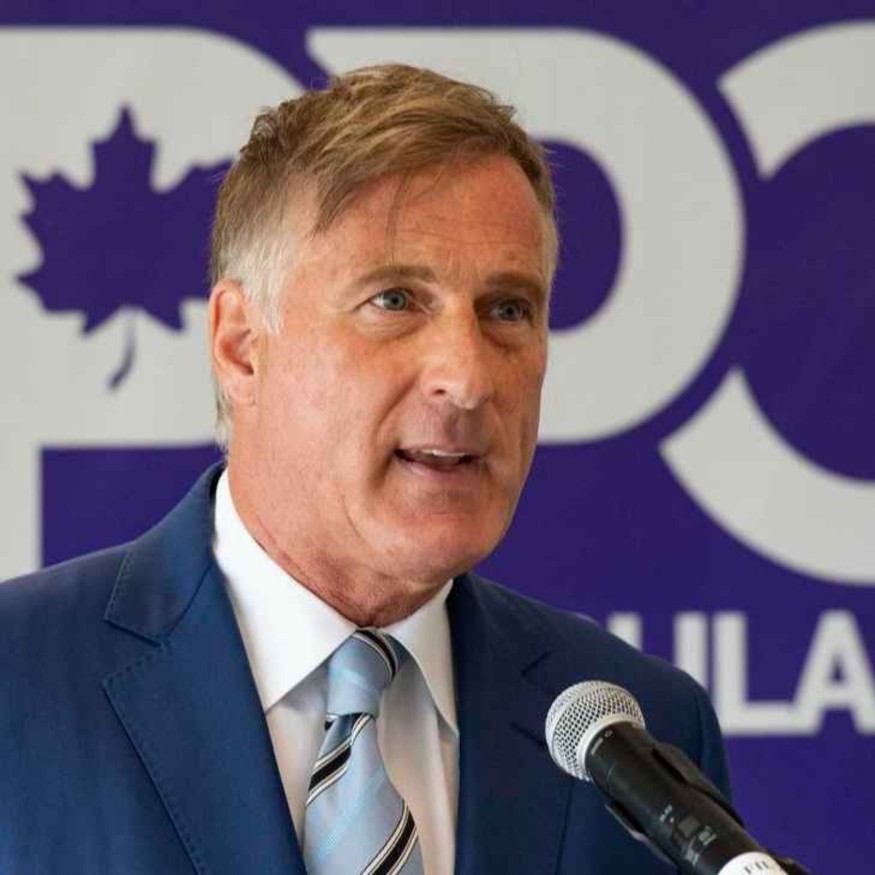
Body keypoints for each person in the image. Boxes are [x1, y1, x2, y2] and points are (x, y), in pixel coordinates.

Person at [0, 65, 729, 874]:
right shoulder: (17, 678)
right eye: (394, 300)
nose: (467, 377)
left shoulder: (640, 734)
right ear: (241, 347)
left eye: (507, 309)